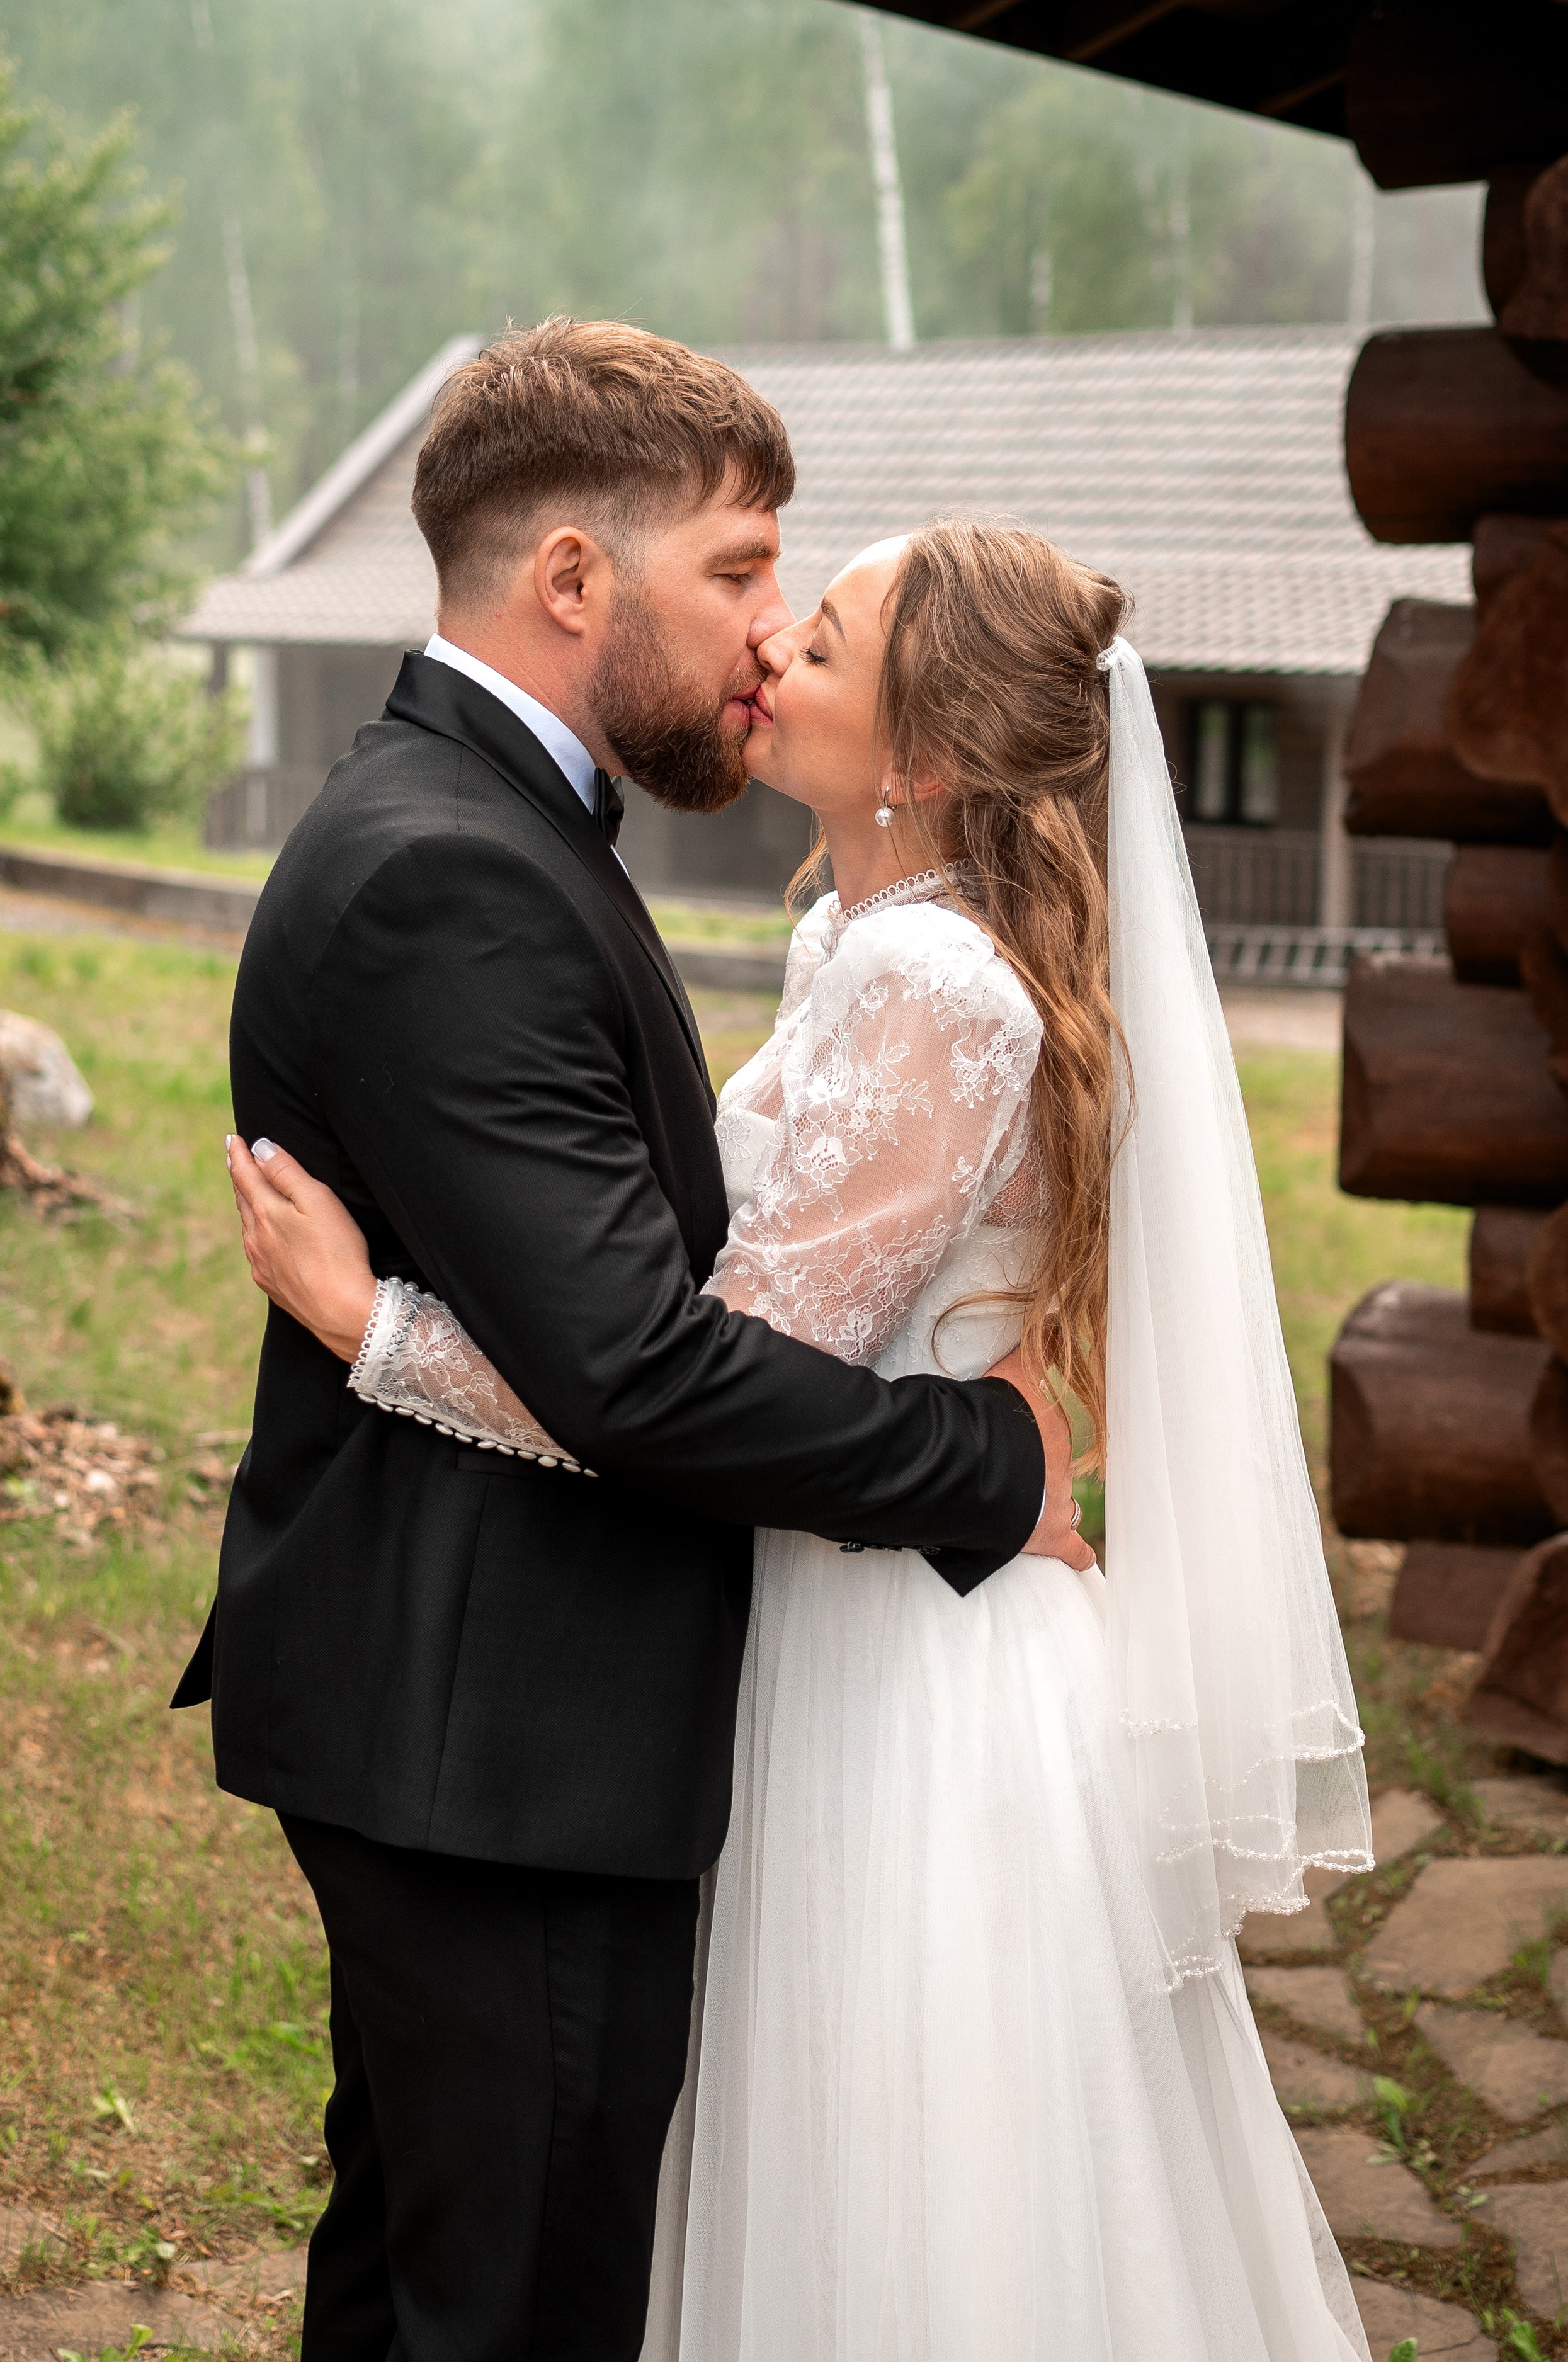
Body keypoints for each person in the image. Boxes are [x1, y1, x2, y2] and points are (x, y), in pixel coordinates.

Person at [230, 514, 1376, 2359]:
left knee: (911, 2175)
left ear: (919, 753)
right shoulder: (865, 935)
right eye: (774, 603)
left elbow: (696, 1370)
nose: (767, 650)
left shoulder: (934, 986)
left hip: (904, 1674)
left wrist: (384, 1331)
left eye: (819, 639)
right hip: (806, 1609)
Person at [176, 323, 1087, 2362]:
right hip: (501, 1734)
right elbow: (642, 1368)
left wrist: (385, 1319)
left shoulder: (498, 818)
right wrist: (987, 1468)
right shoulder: (454, 874)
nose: (772, 632)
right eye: (747, 572)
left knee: (434, 2273)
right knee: (513, 2304)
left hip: (497, 1710)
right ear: (576, 580)